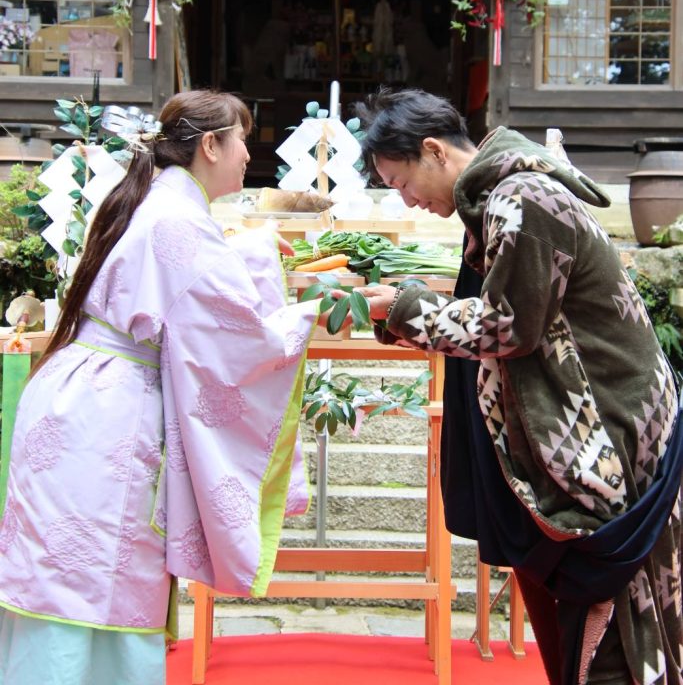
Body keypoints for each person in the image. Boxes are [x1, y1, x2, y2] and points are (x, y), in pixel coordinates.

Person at [351, 87, 682, 685]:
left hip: (613, 426)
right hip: (602, 416)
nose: (406, 200)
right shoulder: (500, 195)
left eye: (402, 183)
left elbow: (509, 326)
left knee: (621, 623)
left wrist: (404, 308)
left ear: (433, 150)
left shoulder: (522, 199)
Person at [0, 90, 321, 685]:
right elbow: (238, 337)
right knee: (94, 580)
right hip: (106, 417)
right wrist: (308, 315)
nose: (249, 153)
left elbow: (191, 281)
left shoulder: (161, 204)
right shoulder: (177, 218)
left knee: (64, 578)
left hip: (84, 397)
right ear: (210, 145)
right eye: (242, 139)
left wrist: (253, 252)